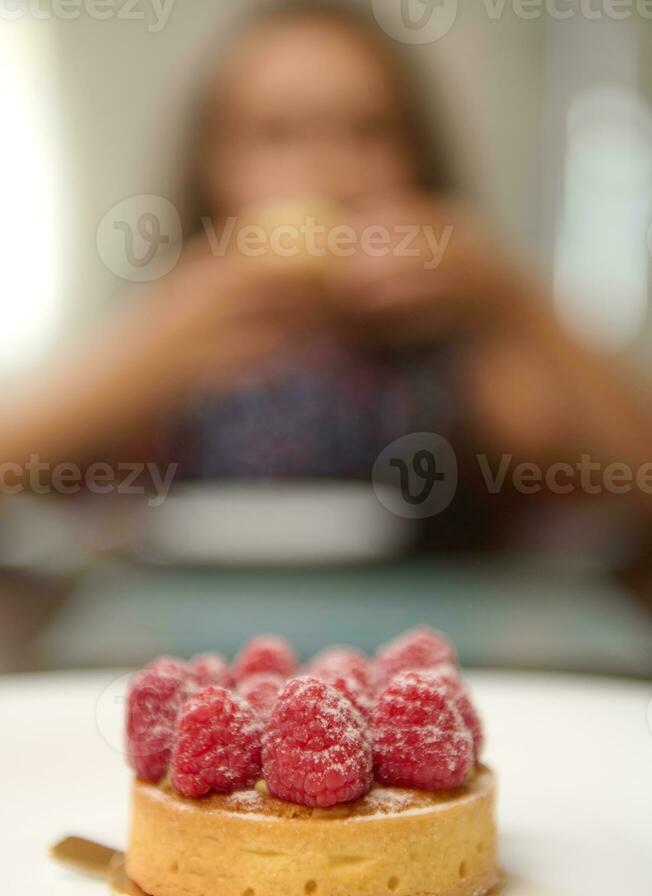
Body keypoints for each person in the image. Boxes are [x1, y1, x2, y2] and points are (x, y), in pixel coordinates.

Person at [1, 0, 651, 544]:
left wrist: (517, 304)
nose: (330, 170)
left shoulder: (470, 354)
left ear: (420, 161)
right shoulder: (167, 356)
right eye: (277, 134)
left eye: (368, 131)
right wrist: (148, 349)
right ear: (208, 169)